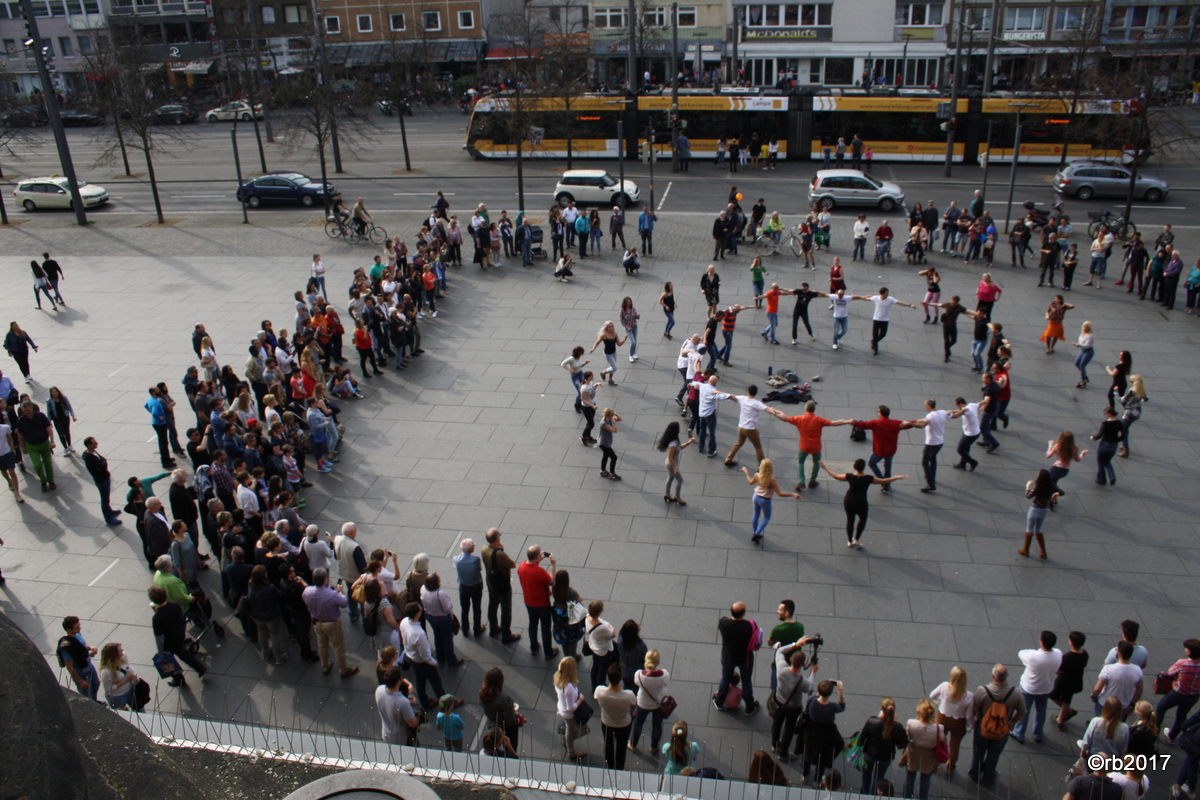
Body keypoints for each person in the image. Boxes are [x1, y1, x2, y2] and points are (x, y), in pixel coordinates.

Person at [767, 401, 851, 491]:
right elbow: (834, 423)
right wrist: (847, 421)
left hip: (804, 446)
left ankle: (801, 481)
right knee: (816, 463)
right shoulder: (819, 420)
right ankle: (812, 481)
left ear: (805, 409)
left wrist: (774, 412)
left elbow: (785, 418)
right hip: (816, 447)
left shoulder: (799, 419)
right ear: (814, 410)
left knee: (800, 462)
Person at [821, 459, 905, 548]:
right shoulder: (868, 478)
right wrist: (897, 477)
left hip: (849, 501)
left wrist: (825, 467)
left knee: (850, 521)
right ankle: (857, 539)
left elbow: (836, 476)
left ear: (855, 467)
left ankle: (849, 541)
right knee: (862, 519)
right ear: (863, 468)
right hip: (861, 503)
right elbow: (884, 481)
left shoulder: (849, 476)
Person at [966, 664, 1026, 787]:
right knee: (994, 754)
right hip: (1002, 730)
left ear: (993, 676)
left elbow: (974, 709)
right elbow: (1022, 712)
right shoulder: (1015, 693)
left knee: (979, 752)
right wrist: (1012, 722)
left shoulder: (982, 691)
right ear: (1006, 677)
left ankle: (974, 774)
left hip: (983, 728)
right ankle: (988, 777)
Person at [302, 568, 360, 678]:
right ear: (325, 580)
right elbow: (344, 603)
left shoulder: (307, 591)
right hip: (331, 623)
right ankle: (343, 669)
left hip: (316, 622)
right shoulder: (332, 594)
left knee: (322, 645)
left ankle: (325, 665)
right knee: (338, 646)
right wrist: (339, 592)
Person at [148, 585, 208, 687]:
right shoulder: (175, 605)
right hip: (178, 635)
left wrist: (161, 652)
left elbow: (159, 636)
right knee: (183, 653)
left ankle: (179, 680)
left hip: (168, 643)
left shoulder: (157, 618)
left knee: (169, 663)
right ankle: (200, 667)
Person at [1012, 631, 1063, 744]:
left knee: (1024, 710)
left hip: (1029, 687)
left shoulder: (1033, 657)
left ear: (1041, 642)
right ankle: (1038, 734)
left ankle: (1019, 733)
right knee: (1041, 710)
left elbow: (1021, 653)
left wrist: (1034, 651)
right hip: (1046, 687)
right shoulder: (1058, 653)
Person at [771, 636, 817, 758]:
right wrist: (813, 673)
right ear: (803, 664)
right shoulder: (802, 681)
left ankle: (775, 744)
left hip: (779, 701)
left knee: (777, 723)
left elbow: (779, 651)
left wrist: (796, 645)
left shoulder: (781, 669)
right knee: (788, 730)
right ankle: (783, 753)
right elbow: (810, 687)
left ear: (791, 659)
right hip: (793, 707)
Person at [713, 601, 759, 714]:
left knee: (726, 677)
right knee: (746, 681)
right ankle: (750, 707)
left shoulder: (724, 623)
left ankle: (719, 701)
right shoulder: (749, 625)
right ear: (743, 614)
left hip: (728, 656)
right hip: (745, 658)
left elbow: (723, 619)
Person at [742, 458, 801, 544]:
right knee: (767, 518)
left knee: (756, 515)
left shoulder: (757, 475)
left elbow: (750, 482)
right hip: (765, 500)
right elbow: (780, 493)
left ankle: (755, 532)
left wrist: (746, 472)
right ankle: (756, 533)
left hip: (755, 497)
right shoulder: (772, 480)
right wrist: (792, 494)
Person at [800, 679, 846, 785]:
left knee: (807, 753)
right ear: (830, 693)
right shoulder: (832, 707)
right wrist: (841, 693)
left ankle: (804, 775)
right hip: (826, 734)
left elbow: (815, 697)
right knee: (823, 757)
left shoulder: (811, 701)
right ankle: (817, 780)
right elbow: (842, 707)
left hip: (810, 732)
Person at [517, 545, 558, 660]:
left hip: (529, 602)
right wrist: (553, 565)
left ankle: (534, 647)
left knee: (532, 624)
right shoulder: (539, 571)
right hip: (542, 603)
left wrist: (537, 561)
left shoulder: (521, 566)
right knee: (545, 627)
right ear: (536, 557)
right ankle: (548, 652)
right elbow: (551, 581)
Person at [594, 661, 636, 769]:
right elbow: (634, 703)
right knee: (621, 750)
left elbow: (595, 697)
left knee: (608, 747)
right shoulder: (628, 695)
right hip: (624, 725)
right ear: (621, 678)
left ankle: (610, 767)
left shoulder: (599, 691)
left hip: (607, 723)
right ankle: (619, 769)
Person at [1157, 639, 1200, 741]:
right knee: (1181, 715)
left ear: (1189, 652)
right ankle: (1172, 736)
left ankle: (1154, 731)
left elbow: (1169, 673)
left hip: (1178, 693)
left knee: (1160, 708)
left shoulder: (1183, 663)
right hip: (1193, 695)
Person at [901, 698, 944, 800]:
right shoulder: (939, 729)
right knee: (925, 780)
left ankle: (906, 797)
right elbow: (942, 739)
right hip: (929, 757)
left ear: (919, 711)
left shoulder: (912, 724)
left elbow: (908, 734)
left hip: (913, 754)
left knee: (910, 777)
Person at [905, 399, 950, 494]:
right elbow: (951, 413)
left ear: (929, 406)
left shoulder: (930, 416)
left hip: (931, 443)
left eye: (925, 405)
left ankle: (931, 484)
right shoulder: (942, 412)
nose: (925, 406)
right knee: (933, 458)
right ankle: (932, 475)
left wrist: (909, 424)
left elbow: (922, 425)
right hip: (940, 442)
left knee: (925, 462)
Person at [631, 649, 669, 753]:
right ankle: (654, 747)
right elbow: (666, 682)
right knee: (657, 725)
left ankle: (633, 744)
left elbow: (636, 683)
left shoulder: (639, 674)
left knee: (638, 723)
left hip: (643, 703)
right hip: (658, 703)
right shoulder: (664, 675)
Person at [15, 399, 55, 492]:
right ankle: (43, 480)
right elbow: (20, 434)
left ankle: (51, 480)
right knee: (37, 465)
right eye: (24, 411)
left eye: (28, 410)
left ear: (32, 408)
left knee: (48, 463)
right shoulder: (21, 420)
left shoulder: (40, 416)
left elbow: (48, 427)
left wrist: (52, 441)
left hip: (44, 443)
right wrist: (22, 446)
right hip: (32, 446)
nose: (26, 412)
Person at [1020, 470, 1061, 558]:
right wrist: (1054, 496)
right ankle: (1043, 552)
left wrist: (1028, 486)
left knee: (1029, 529)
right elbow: (1061, 492)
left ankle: (1025, 550)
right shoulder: (1051, 486)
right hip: (1044, 510)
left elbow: (1028, 496)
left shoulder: (1038, 488)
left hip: (1034, 509)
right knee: (1038, 530)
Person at [57, 616, 100, 701]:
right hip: (82, 674)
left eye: (79, 626)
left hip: (90, 668)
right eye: (76, 627)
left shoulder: (77, 635)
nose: (79, 628)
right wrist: (80, 681)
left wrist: (90, 647)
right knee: (87, 696)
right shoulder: (66, 647)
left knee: (95, 686)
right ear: (68, 629)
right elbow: (69, 667)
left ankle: (95, 702)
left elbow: (82, 645)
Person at [555, 656, 590, 760]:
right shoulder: (568, 688)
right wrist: (580, 699)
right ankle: (569, 744)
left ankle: (570, 748)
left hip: (562, 709)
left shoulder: (558, 679)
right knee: (585, 730)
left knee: (569, 729)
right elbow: (571, 707)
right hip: (569, 714)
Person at [480, 667, 522, 751]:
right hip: (507, 729)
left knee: (495, 744)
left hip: (493, 725)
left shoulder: (482, 693)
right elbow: (510, 721)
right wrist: (518, 719)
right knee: (510, 747)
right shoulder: (504, 699)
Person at [657, 421, 696, 506]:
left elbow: (680, 447)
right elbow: (670, 456)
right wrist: (675, 468)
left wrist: (689, 442)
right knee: (680, 480)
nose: (680, 429)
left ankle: (667, 495)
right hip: (671, 465)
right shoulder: (673, 443)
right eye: (678, 428)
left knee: (670, 479)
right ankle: (677, 497)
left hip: (671, 464)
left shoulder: (675, 441)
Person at [98, 642, 139, 710]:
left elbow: (128, 666)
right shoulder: (106, 672)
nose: (123, 650)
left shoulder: (123, 656)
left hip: (130, 691)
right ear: (114, 654)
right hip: (117, 697)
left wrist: (134, 676)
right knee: (122, 715)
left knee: (140, 710)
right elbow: (108, 689)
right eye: (120, 650)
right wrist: (125, 679)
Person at [1091, 406, 1125, 486]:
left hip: (1104, 444)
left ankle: (1101, 480)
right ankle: (1112, 476)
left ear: (1109, 414)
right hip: (1113, 446)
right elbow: (1123, 436)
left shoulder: (1105, 424)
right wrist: (1116, 440)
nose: (1105, 415)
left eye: (1105, 414)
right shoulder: (1119, 423)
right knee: (1107, 461)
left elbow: (1099, 435)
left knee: (1100, 462)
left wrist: (1093, 437)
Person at [589, 321, 627, 387]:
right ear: (606, 328)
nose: (611, 328)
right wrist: (593, 349)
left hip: (614, 352)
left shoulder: (615, 334)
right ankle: (603, 372)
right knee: (614, 368)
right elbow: (597, 342)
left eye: (612, 326)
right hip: (608, 354)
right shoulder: (604, 335)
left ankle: (610, 380)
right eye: (610, 327)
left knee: (613, 367)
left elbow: (619, 344)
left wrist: (625, 339)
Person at [0, 410, 23, 505]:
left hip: (7, 452)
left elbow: (10, 438)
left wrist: (12, 450)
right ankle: (9, 481)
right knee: (4, 472)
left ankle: (17, 494)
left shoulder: (5, 428)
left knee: (12, 471)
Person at [1074, 321, 1095, 388]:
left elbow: (1087, 346)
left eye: (1087, 327)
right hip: (1083, 351)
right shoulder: (1082, 334)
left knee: (1082, 365)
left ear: (1089, 328)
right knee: (1077, 363)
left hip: (1088, 352)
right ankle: (1084, 376)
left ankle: (1083, 381)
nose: (1085, 328)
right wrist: (1079, 345)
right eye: (1084, 326)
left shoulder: (1090, 336)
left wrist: (1078, 345)